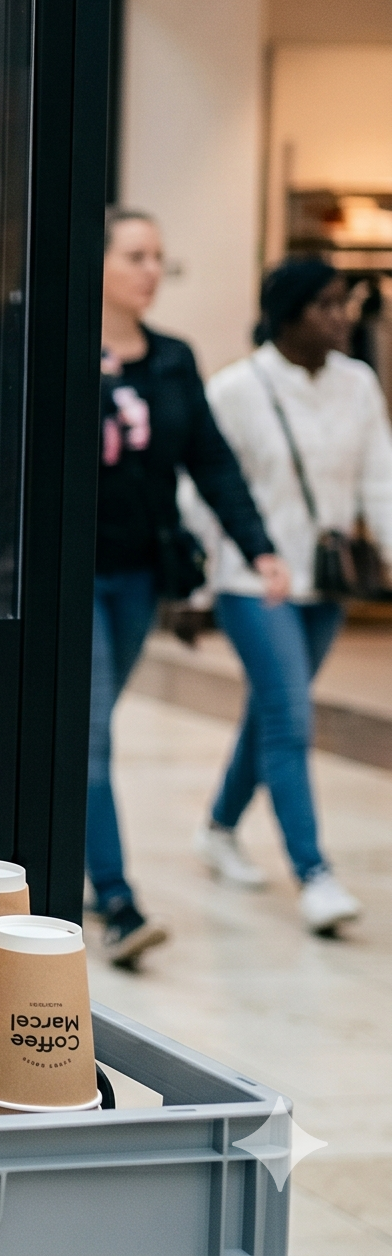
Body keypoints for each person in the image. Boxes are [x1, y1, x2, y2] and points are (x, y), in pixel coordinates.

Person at [92, 209, 288, 968]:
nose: (150, 271)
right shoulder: (64, 349)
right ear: (97, 265)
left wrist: (259, 547)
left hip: (142, 573)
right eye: (136, 256)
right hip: (72, 577)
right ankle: (115, 898)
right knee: (90, 733)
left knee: (93, 722)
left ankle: (76, 853)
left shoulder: (173, 359)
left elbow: (211, 461)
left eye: (158, 259)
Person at [186, 258, 390, 936]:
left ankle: (218, 827)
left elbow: (378, 480)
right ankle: (315, 874)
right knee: (290, 717)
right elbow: (202, 490)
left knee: (272, 713)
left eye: (345, 304)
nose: (342, 317)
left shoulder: (358, 384)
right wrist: (204, 580)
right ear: (288, 314)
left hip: (328, 582)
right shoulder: (238, 388)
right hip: (255, 583)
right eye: (326, 305)